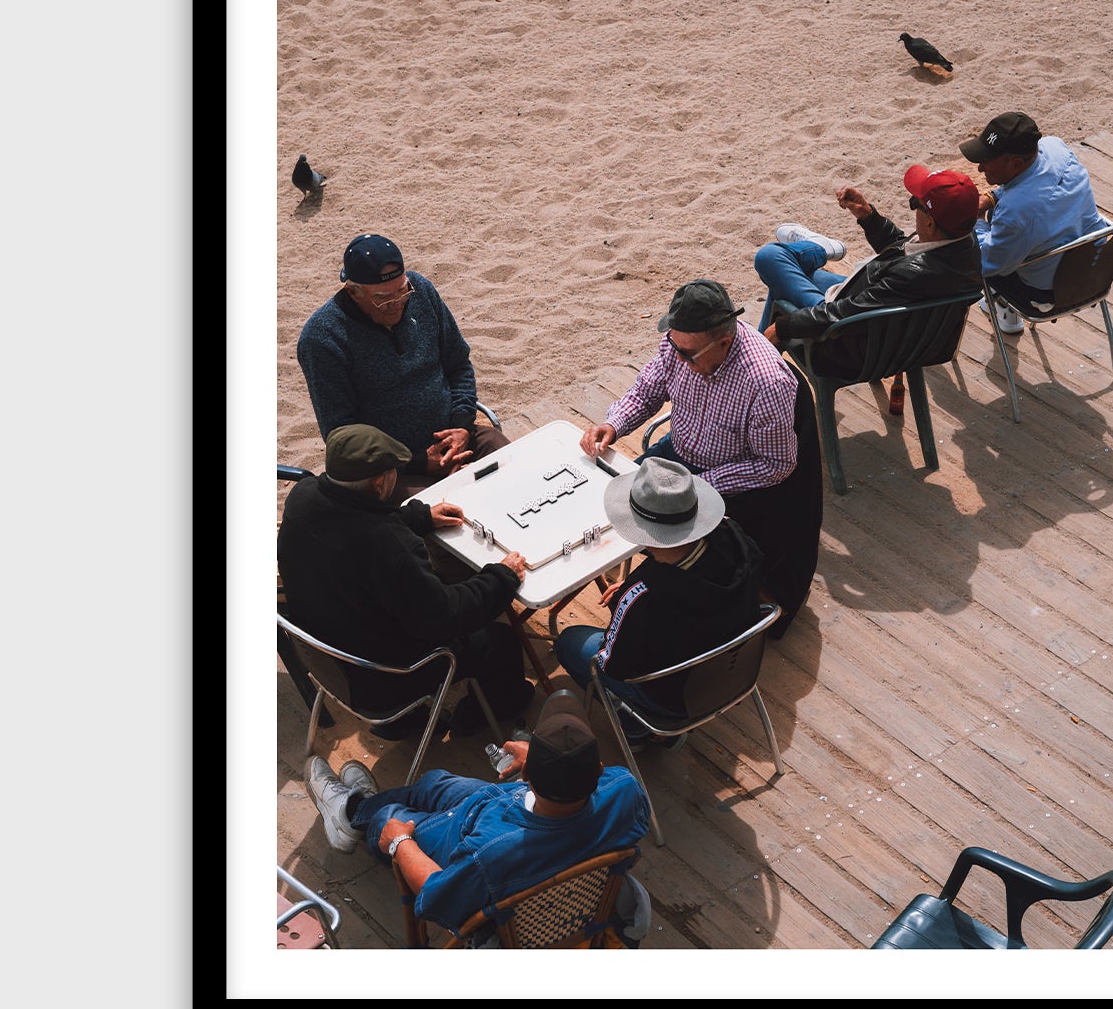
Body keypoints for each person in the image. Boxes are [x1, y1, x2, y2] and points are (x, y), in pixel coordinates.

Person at [303, 687, 652, 942]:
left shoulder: (489, 854)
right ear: (600, 769)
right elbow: (602, 792)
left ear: (526, 775)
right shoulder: (625, 789)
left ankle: (351, 813)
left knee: (389, 818)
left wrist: (400, 843)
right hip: (505, 810)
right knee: (433, 783)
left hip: (472, 833)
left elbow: (437, 894)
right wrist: (546, 760)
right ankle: (361, 806)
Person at [579, 279, 816, 635]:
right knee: (609, 501)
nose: (676, 357)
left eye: (687, 354)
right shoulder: (680, 341)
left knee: (675, 554)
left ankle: (644, 600)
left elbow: (777, 464)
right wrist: (614, 423)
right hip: (678, 456)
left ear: (722, 342)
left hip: (732, 482)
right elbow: (647, 390)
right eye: (673, 345)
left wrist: (699, 487)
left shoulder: (767, 382)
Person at [277, 422, 535, 733]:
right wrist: (501, 576)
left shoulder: (302, 497)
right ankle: (484, 714)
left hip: (324, 651)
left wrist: (419, 516)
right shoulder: (392, 547)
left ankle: (404, 722)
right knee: (500, 641)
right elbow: (447, 617)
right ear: (379, 483)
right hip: (385, 674)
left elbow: (351, 522)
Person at [555, 458, 765, 745]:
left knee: (569, 642)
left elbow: (611, 665)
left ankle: (638, 727)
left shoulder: (642, 595)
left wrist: (627, 599)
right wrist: (635, 589)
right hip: (734, 672)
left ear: (644, 533)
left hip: (673, 697)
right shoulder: (738, 539)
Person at [297, 232, 509, 497]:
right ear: (353, 292)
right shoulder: (323, 338)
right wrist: (418, 462)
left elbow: (458, 365)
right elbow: (341, 434)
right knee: (450, 506)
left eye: (402, 291)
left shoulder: (420, 290)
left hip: (455, 435)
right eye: (384, 298)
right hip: (390, 467)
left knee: (516, 464)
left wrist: (462, 427)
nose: (397, 304)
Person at [753, 164, 984, 378]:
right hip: (894, 333)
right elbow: (905, 253)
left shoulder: (913, 275)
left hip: (849, 345)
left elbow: (845, 314)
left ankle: (819, 249)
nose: (913, 207)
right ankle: (754, 363)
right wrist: (869, 217)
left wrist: (784, 327)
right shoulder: (962, 243)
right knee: (785, 276)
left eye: (915, 203)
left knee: (770, 259)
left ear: (931, 223)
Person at [958, 112, 1111, 333]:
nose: (981, 168)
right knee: (1009, 225)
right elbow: (1030, 186)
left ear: (1016, 164)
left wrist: (975, 220)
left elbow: (985, 263)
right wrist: (992, 198)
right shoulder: (1054, 147)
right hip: (1095, 269)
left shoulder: (1015, 214)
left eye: (987, 161)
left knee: (964, 254)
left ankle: (1006, 309)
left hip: (1049, 293)